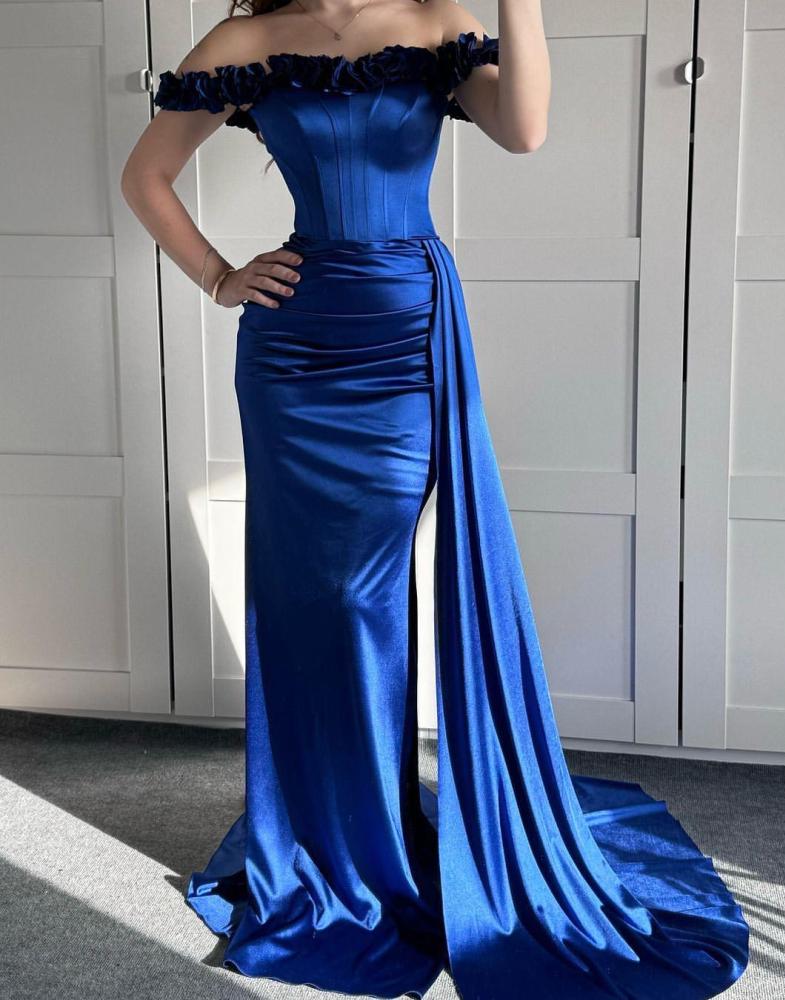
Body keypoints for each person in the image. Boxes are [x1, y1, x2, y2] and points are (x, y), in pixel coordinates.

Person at [121, 1, 749, 997]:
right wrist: (218, 275)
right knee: (305, 596)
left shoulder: (431, 21)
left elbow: (523, 129)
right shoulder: (244, 40)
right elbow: (144, 175)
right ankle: (329, 836)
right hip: (292, 353)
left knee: (361, 596)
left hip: (403, 337)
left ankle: (371, 837)